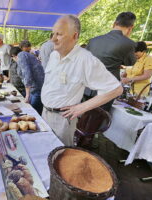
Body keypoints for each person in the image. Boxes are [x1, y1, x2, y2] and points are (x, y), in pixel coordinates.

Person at [41, 15, 123, 146]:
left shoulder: (85, 60)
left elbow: (115, 89)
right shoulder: (54, 55)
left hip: (62, 120)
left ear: (74, 36)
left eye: (59, 34)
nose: (53, 39)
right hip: (45, 113)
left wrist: (82, 107)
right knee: (45, 149)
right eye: (53, 34)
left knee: (60, 156)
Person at [84, 12, 136, 111]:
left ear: (114, 23)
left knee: (81, 118)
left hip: (87, 87)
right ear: (131, 27)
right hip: (107, 90)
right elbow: (130, 62)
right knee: (97, 121)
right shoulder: (128, 43)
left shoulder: (94, 40)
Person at [11, 42, 44, 115]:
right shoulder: (25, 56)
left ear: (13, 56)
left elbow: (27, 75)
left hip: (37, 89)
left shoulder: (21, 56)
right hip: (34, 89)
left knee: (34, 113)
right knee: (31, 111)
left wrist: (27, 95)